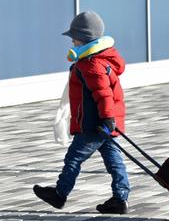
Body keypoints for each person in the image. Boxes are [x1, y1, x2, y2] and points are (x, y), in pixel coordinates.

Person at [33, 11, 130, 215]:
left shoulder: (91, 64)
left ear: (84, 38)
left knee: (74, 158)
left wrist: (107, 119)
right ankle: (120, 199)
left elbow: (103, 95)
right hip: (104, 124)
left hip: (94, 125)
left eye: (74, 38)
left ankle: (60, 194)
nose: (73, 42)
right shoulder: (99, 59)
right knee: (114, 161)